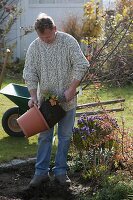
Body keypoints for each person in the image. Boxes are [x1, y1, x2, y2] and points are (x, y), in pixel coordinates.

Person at [23, 13, 89, 187]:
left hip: (67, 101)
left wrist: (72, 89)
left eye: (48, 36)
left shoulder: (68, 42)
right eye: (42, 37)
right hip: (45, 102)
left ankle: (61, 172)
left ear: (55, 29)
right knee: (44, 137)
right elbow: (30, 72)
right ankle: (41, 173)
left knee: (65, 136)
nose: (45, 40)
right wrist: (33, 96)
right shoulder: (35, 47)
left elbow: (82, 64)